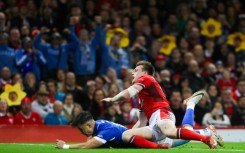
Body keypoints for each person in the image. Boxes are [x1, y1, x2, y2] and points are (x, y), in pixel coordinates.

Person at [101, 60, 217, 149]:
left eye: (136, 70)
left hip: (162, 113)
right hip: (154, 126)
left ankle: (205, 138)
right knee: (126, 135)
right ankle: (196, 116)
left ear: (144, 72)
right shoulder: (143, 97)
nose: (133, 73)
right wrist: (130, 138)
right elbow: (141, 122)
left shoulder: (147, 78)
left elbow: (127, 94)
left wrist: (112, 99)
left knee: (171, 133)